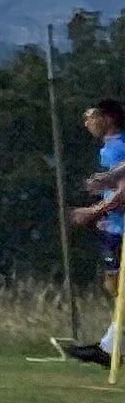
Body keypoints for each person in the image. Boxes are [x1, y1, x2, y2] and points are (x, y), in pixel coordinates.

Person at [63, 97, 124, 364]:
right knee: (114, 287)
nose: (87, 122)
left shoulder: (117, 148)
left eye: (92, 116)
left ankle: (110, 348)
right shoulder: (109, 148)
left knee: (119, 288)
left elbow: (123, 189)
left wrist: (95, 211)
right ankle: (110, 346)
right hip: (113, 225)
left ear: (108, 118)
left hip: (119, 229)